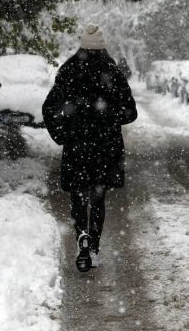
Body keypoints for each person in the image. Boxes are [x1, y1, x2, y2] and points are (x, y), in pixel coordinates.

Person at [43, 24, 138, 272]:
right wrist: (109, 117)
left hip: (77, 146)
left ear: (82, 45)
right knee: (98, 197)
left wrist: (62, 135)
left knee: (78, 195)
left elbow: (49, 108)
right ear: (103, 46)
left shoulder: (69, 71)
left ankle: (81, 236)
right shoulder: (112, 72)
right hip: (105, 147)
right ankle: (93, 247)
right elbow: (130, 112)